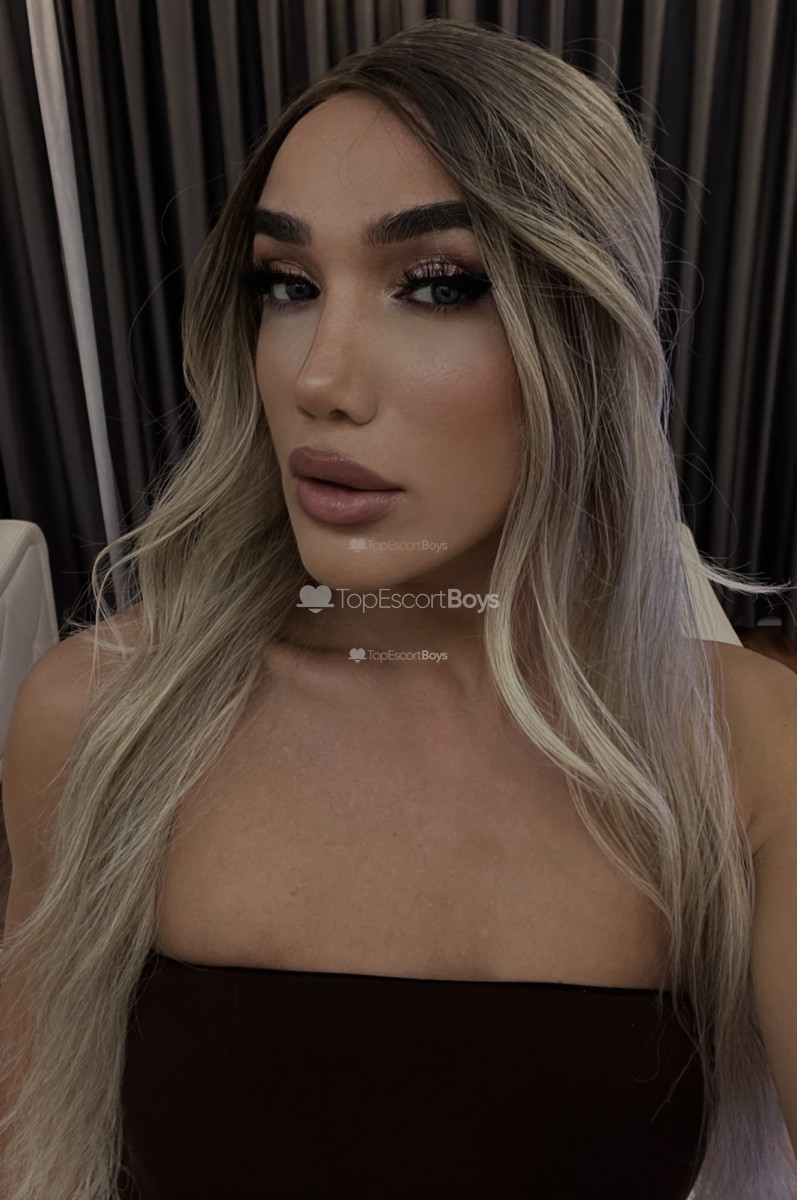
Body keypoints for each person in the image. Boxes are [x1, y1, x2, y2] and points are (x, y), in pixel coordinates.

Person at [1, 16, 796, 1200]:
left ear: (584, 336)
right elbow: (32, 1148)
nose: (318, 376)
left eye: (435, 286)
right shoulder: (99, 716)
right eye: (287, 285)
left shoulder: (743, 753)